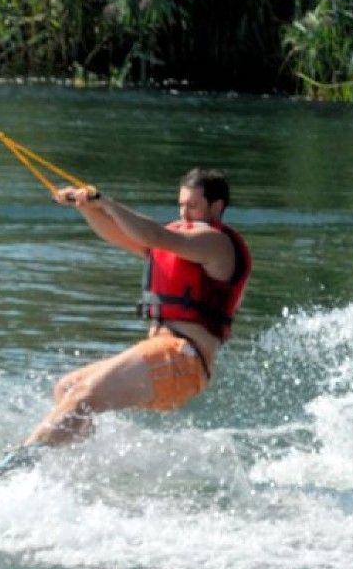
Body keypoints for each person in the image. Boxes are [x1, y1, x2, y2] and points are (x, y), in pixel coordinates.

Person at [22, 168, 251, 448]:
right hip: (164, 356)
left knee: (84, 396)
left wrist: (106, 202)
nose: (184, 214)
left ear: (217, 207)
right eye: (181, 205)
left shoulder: (216, 242)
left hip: (183, 358)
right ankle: (71, 469)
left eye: (193, 206)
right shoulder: (179, 240)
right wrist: (86, 207)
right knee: (67, 389)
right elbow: (120, 235)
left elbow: (152, 235)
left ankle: (16, 463)